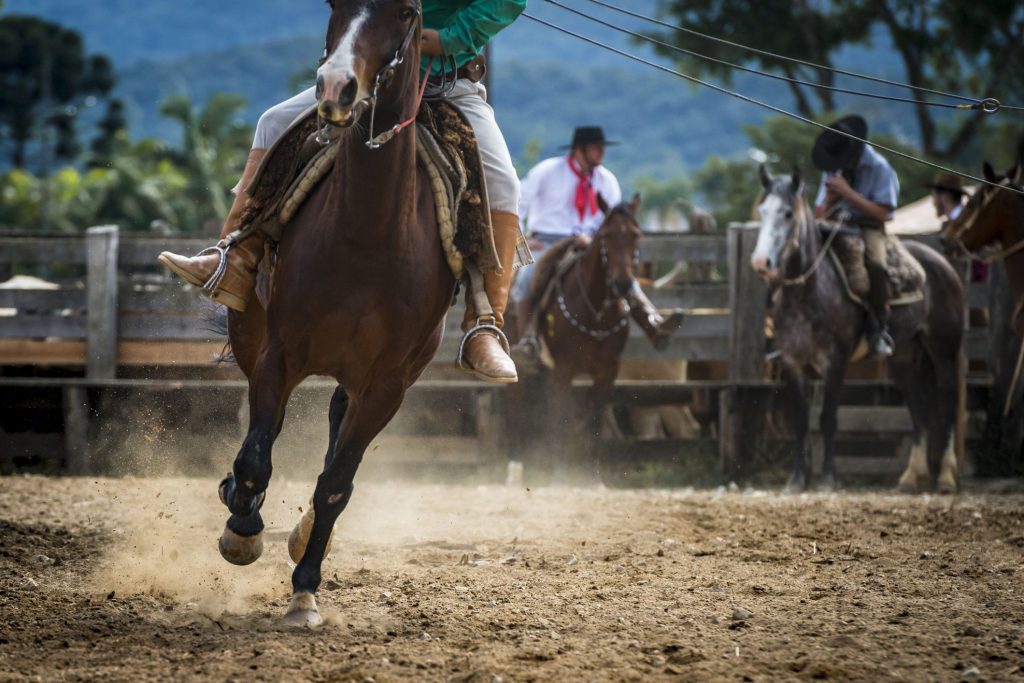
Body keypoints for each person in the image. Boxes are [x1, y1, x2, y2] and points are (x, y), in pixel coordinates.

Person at [158, 1, 530, 384]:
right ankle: (234, 259)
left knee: (503, 182)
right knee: (272, 124)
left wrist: (449, 38)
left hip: (450, 83)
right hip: (368, 74)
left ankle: (484, 325)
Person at [512, 126, 683, 354]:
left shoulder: (607, 180)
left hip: (591, 244)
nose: (601, 153)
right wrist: (520, 239)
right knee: (525, 279)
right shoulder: (547, 171)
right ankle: (528, 340)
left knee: (623, 276)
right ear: (579, 149)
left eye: (602, 148)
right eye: (596, 148)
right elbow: (517, 202)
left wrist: (598, 241)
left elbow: (613, 221)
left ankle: (654, 324)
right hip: (548, 241)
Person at [812, 115, 900, 358]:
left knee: (876, 264)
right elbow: (819, 212)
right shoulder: (832, 168)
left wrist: (848, 193)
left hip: (868, 225)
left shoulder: (880, 167)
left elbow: (884, 214)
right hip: (835, 223)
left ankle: (879, 327)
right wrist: (831, 198)